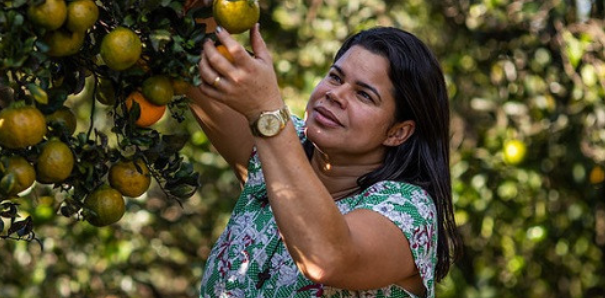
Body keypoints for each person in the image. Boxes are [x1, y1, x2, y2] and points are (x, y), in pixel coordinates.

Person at [186, 25, 462, 298]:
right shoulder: (278, 146)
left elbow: (326, 258)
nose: (336, 94)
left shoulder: (409, 210)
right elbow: (189, 52)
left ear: (397, 132)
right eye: (335, 77)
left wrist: (266, 112)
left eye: (364, 95)